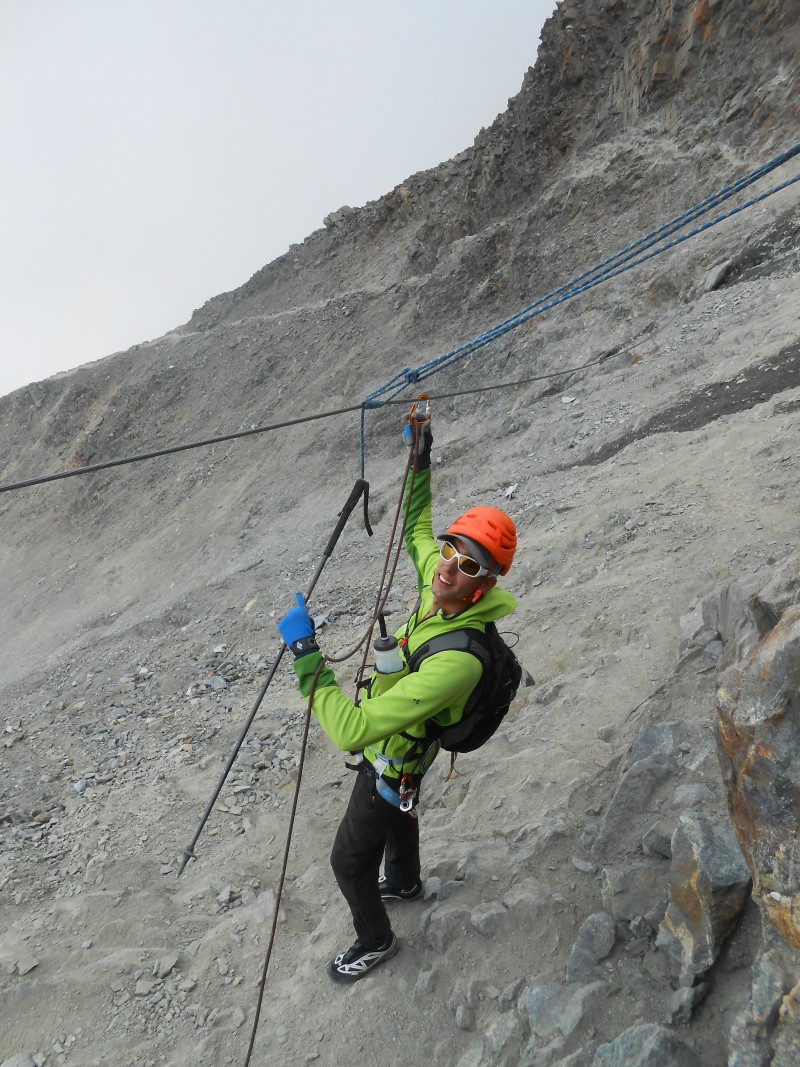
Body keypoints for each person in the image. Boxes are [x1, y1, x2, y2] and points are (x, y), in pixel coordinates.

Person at [276, 418, 517, 983]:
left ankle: (375, 939)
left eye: (469, 565)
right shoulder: (436, 589)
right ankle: (405, 881)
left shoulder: (460, 661)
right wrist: (420, 460)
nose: (448, 567)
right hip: (405, 755)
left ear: (485, 584)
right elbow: (417, 527)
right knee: (398, 808)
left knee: (347, 859)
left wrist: (307, 656)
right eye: (453, 550)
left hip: (394, 755)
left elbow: (350, 731)